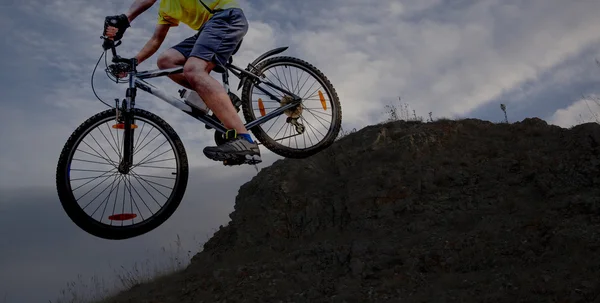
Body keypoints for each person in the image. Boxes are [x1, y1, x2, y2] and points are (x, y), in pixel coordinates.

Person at [103, 0, 261, 166]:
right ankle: (219, 100)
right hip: (207, 30)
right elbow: (157, 38)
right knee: (166, 61)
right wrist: (133, 62)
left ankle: (245, 140)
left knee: (193, 69)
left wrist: (125, 18)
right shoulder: (166, 8)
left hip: (226, 17)